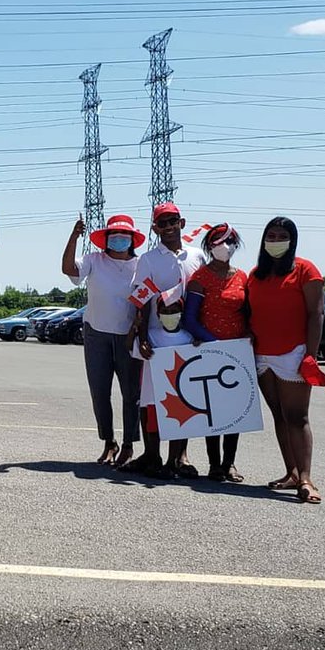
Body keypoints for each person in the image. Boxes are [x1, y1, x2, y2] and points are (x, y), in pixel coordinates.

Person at [119, 201, 205, 476]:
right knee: (151, 400)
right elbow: (142, 300)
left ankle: (178, 458)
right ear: (155, 228)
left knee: (184, 397)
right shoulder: (148, 260)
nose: (168, 227)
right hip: (156, 339)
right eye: (162, 223)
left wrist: (201, 333)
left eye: (172, 221)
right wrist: (143, 337)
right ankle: (152, 455)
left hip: (187, 338)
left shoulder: (197, 256)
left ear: (182, 223)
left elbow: (203, 298)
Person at [247, 217, 325, 504]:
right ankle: (291, 472)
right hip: (262, 355)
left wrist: (310, 355)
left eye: (282, 236)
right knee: (279, 415)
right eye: (271, 235)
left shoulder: (305, 270)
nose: (276, 241)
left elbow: (316, 314)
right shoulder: (255, 274)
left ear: (292, 240)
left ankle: (306, 478)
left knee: (297, 416)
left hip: (293, 353)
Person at [61, 213, 144, 466]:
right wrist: (74, 236)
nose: (119, 239)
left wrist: (139, 331)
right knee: (100, 391)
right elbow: (68, 269)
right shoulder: (94, 260)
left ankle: (128, 444)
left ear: (132, 239)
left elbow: (147, 299)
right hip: (96, 332)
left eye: (124, 235)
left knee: (131, 393)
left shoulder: (141, 264)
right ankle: (109, 442)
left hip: (128, 335)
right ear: (106, 238)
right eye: (114, 235)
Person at [182, 224, 250, 483]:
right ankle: (214, 464)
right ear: (209, 246)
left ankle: (229, 463)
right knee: (213, 410)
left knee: (235, 411)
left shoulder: (242, 277)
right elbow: (190, 319)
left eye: (231, 241)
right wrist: (215, 342)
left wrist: (248, 336)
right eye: (220, 242)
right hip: (211, 350)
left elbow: (248, 313)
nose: (226, 246)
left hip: (238, 352)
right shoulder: (200, 278)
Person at [127, 282, 195, 479]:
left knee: (176, 427)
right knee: (153, 427)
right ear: (157, 314)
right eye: (165, 311)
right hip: (154, 393)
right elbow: (130, 347)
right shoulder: (151, 336)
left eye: (174, 311)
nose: (169, 314)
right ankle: (154, 457)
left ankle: (171, 462)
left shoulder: (189, 338)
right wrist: (135, 328)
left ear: (181, 312)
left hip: (179, 393)